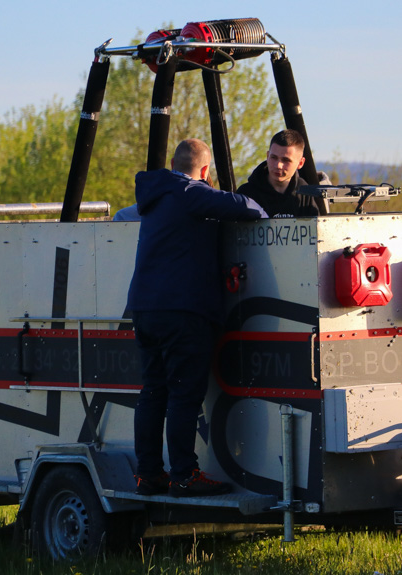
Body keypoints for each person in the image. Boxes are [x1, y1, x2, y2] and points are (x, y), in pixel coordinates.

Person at [127, 138, 267, 498]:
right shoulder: (190, 192)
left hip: (144, 308)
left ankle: (148, 474)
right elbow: (246, 206)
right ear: (205, 170)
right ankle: (184, 475)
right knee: (183, 395)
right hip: (182, 311)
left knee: (153, 391)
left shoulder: (155, 195)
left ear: (174, 162)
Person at [236, 129, 320, 218]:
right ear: (267, 156)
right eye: (274, 157)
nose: (278, 165)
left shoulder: (305, 194)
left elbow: (317, 230)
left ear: (300, 163)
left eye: (286, 160)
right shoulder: (246, 194)